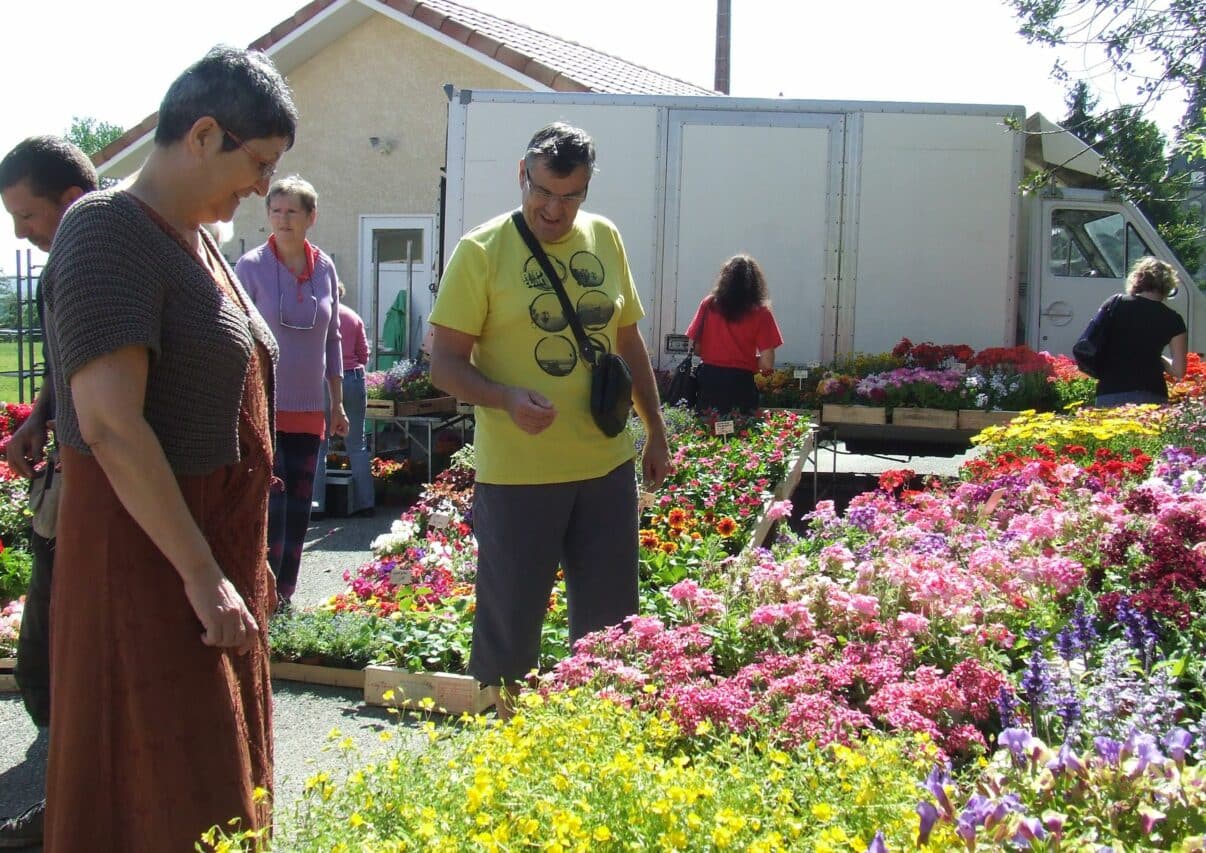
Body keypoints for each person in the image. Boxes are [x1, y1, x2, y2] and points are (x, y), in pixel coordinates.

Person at [37, 45, 295, 850]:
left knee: (214, 790)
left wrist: (227, 571)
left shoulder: (198, 238)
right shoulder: (108, 229)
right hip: (146, 560)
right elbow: (110, 424)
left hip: (206, 554)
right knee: (162, 794)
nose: (261, 185)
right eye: (256, 163)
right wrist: (200, 573)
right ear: (203, 134)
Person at [429, 122, 671, 719]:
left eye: (571, 196)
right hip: (518, 475)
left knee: (612, 625)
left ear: (587, 189)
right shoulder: (481, 252)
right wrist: (506, 398)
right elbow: (443, 366)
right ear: (521, 174)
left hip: (605, 466)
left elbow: (628, 343)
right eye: (543, 192)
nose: (555, 210)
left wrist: (657, 432)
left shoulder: (605, 238)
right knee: (510, 623)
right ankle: (506, 740)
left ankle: (602, 737)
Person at [0, 135, 97, 849]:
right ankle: (71, 796)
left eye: (26, 215)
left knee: (60, 659)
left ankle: (77, 807)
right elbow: (69, 368)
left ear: (68, 201)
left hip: (98, 492)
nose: (18, 233)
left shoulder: (99, 258)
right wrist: (39, 414)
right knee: (46, 659)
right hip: (66, 485)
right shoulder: (66, 260)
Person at [235, 175, 348, 603]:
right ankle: (256, 596)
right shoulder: (250, 267)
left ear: (310, 217)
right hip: (263, 407)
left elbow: (333, 338)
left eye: (292, 212)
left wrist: (336, 404)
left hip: (308, 411)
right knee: (269, 508)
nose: (283, 220)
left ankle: (284, 596)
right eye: (276, 211)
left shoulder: (324, 268)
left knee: (299, 512)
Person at [685, 253, 784, 414]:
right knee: (741, 432)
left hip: (709, 379)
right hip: (741, 382)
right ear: (756, 282)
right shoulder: (761, 312)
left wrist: (717, 354)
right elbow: (767, 363)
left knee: (708, 431)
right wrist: (744, 360)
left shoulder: (709, 304)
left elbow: (693, 346)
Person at [1093, 257, 1187, 407]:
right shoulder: (1173, 319)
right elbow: (1179, 370)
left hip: (1111, 390)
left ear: (1137, 280)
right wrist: (1156, 356)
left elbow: (1094, 340)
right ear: (1168, 285)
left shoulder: (1115, 304)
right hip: (1152, 393)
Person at [314, 282, 374, 517]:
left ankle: (316, 505)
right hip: (353, 379)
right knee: (357, 445)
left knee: (319, 445)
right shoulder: (353, 317)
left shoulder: (317, 318)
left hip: (323, 380)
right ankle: (365, 504)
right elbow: (364, 355)